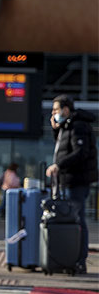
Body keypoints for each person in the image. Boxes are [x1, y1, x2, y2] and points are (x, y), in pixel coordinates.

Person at [46, 95, 96, 269]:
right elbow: (64, 149)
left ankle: (79, 261)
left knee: (77, 220)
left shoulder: (78, 126)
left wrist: (58, 165)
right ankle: (69, 259)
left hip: (76, 182)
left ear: (66, 110)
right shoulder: (66, 126)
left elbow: (80, 153)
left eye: (56, 110)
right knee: (69, 220)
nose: (53, 113)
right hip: (67, 181)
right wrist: (55, 130)